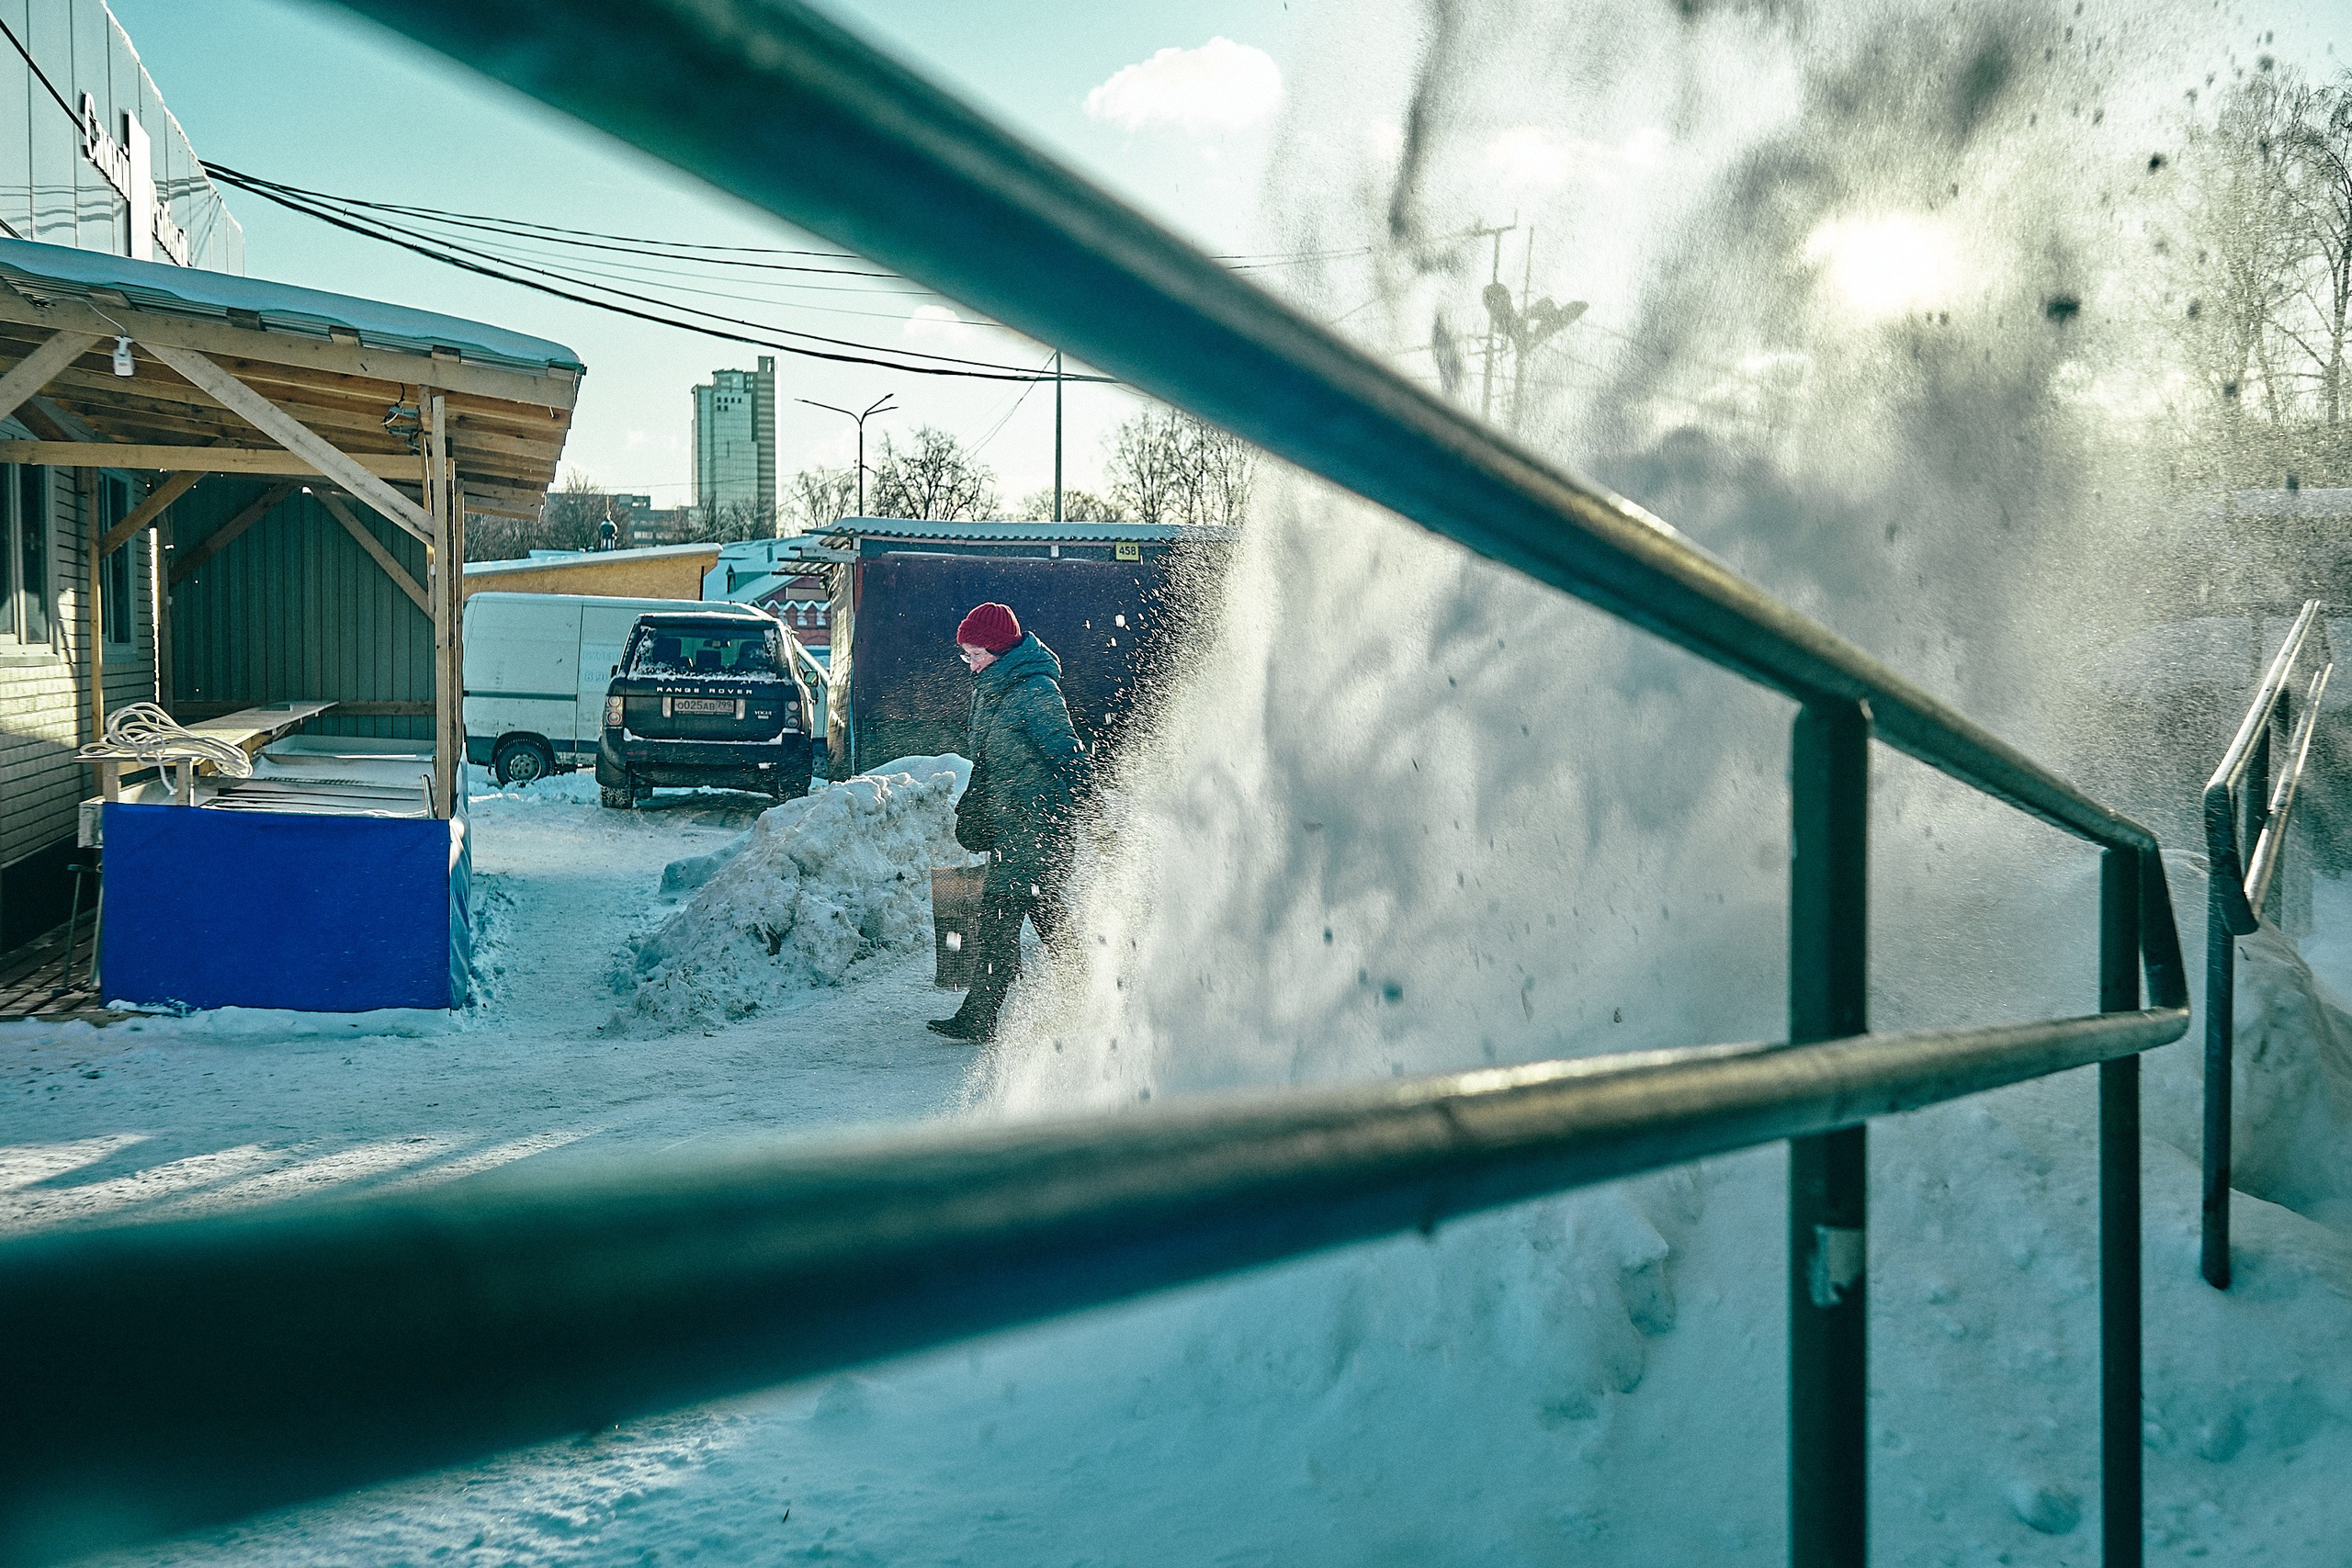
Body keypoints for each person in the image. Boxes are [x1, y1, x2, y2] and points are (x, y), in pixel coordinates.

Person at [929, 602, 1086, 1042]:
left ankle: (981, 1017)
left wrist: (1092, 807)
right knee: (1048, 916)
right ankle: (1091, 997)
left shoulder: (1034, 690)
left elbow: (1068, 752)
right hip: (1012, 824)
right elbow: (990, 759)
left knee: (999, 918)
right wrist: (978, 806)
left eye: (977, 654)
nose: (971, 663)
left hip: (1037, 826)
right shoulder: (994, 689)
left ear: (999, 649)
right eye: (967, 655)